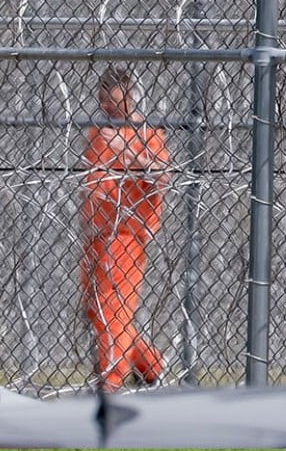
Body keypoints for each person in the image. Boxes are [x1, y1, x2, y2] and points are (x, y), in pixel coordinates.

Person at [81, 67, 171, 392]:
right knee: (95, 308)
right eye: (102, 99)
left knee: (113, 307)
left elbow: (161, 177)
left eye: (112, 99)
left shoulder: (146, 134)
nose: (106, 106)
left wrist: (125, 150)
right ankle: (149, 362)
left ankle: (112, 381)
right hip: (96, 232)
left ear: (129, 96)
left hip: (126, 232)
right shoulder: (97, 132)